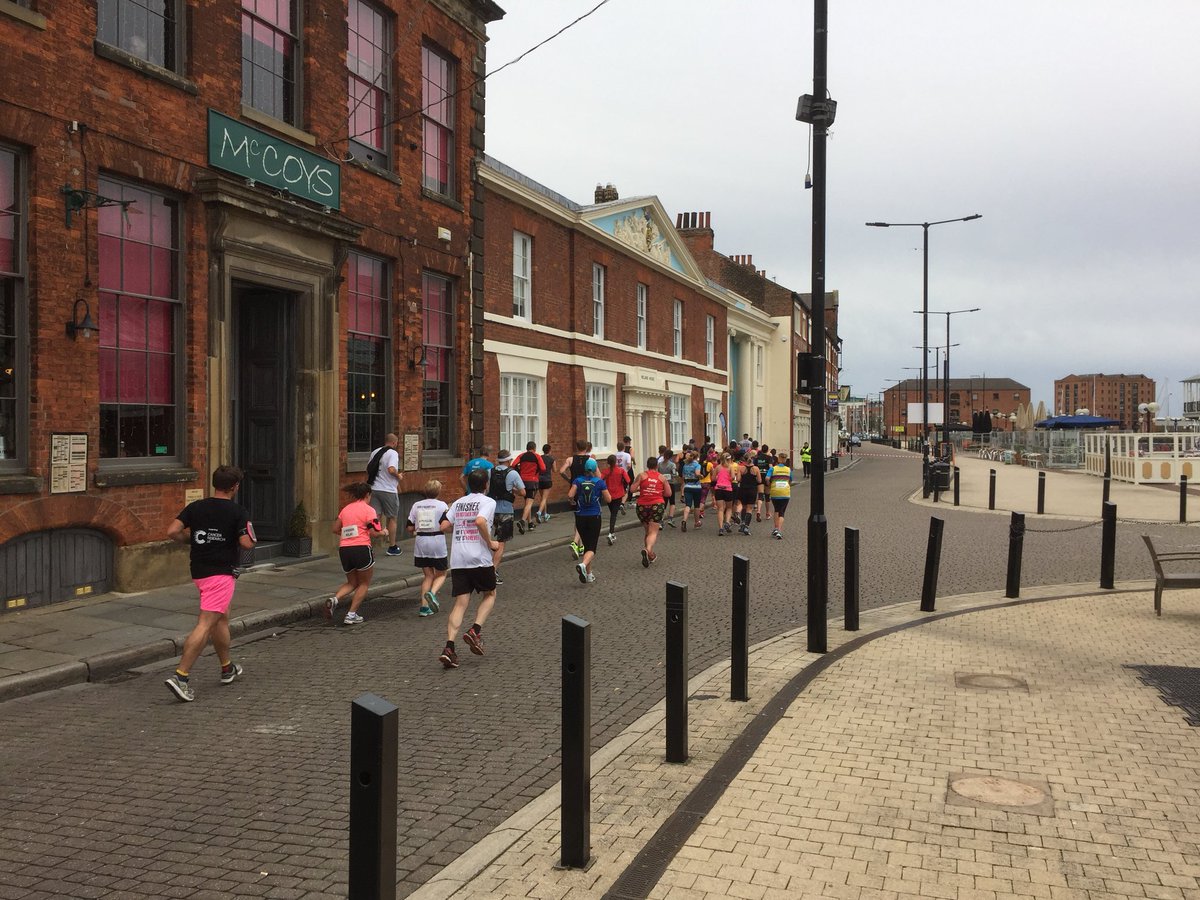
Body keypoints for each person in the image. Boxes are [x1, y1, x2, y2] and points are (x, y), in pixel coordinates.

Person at [164, 465, 256, 702]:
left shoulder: (196, 507)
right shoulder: (238, 511)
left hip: (200, 571)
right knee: (206, 623)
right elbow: (247, 543)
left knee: (221, 618)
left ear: (215, 483)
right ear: (234, 487)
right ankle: (181, 677)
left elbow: (172, 531)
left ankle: (227, 668)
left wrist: (191, 539)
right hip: (221, 573)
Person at [438, 468, 499, 669]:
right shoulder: (488, 502)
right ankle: (475, 630)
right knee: (490, 594)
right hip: (479, 558)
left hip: (459, 558)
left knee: (460, 603)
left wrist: (461, 529)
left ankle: (449, 648)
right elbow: (480, 520)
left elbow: (444, 526)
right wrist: (490, 542)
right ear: (486, 485)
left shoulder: (458, 502)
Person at [325, 482, 388, 625]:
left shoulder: (346, 509)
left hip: (345, 549)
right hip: (361, 548)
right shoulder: (369, 510)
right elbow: (374, 532)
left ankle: (334, 599)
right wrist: (384, 532)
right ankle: (351, 614)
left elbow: (335, 529)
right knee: (364, 583)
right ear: (367, 495)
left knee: (352, 582)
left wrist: (348, 535)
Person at [407, 479, 449, 616]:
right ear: (438, 491)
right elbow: (445, 524)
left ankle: (424, 608)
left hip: (421, 541)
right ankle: (432, 593)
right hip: (437, 540)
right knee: (442, 573)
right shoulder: (442, 505)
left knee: (428, 575)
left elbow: (409, 527)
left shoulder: (416, 505)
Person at [569, 458, 611, 584]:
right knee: (592, 548)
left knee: (586, 546)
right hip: (594, 516)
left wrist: (573, 501)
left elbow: (570, 495)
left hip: (580, 517)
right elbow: (608, 499)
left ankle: (589, 574)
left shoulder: (578, 480)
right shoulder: (599, 482)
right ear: (594, 469)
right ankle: (583, 565)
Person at [487, 450, 525, 585]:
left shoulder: (489, 472)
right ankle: (492, 571)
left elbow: (486, 489)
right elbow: (523, 492)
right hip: (506, 511)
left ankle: (485, 567)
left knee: (487, 540)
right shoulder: (513, 473)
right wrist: (512, 490)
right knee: (501, 543)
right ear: (509, 461)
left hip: (490, 510)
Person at [367, 433, 403, 556]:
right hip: (388, 490)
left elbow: (368, 468)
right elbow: (391, 469)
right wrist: (399, 476)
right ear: (394, 443)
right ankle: (392, 547)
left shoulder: (375, 452)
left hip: (374, 488)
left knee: (374, 518)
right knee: (392, 517)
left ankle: (369, 546)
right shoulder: (393, 453)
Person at [631, 456, 670, 567]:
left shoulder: (642, 475)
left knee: (648, 531)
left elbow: (632, 490)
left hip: (642, 506)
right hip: (656, 505)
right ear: (657, 466)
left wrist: (641, 489)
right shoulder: (661, 478)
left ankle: (650, 555)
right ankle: (647, 549)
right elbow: (669, 494)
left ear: (647, 465)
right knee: (653, 532)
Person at [560, 440, 591, 559]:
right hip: (587, 490)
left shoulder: (570, 459)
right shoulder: (590, 460)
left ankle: (580, 546)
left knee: (578, 517)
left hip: (574, 490)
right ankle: (575, 543)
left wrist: (569, 479)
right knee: (583, 518)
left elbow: (561, 471)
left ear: (576, 447)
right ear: (587, 447)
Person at [515, 441, 545, 533]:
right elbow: (543, 468)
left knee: (527, 502)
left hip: (522, 480)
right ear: (534, 448)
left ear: (527, 448)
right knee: (529, 502)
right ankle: (522, 521)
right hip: (532, 481)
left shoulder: (521, 456)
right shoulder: (537, 456)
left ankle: (530, 523)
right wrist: (537, 471)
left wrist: (519, 471)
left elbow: (513, 465)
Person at [602, 453, 630, 544]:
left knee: (612, 513)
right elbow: (628, 480)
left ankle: (612, 533)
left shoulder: (605, 471)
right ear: (616, 461)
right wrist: (624, 486)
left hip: (608, 495)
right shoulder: (621, 471)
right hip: (618, 494)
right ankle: (611, 533)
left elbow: (600, 480)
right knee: (613, 515)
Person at [735, 450, 761, 535]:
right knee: (750, 508)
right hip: (752, 490)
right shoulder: (756, 469)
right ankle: (746, 526)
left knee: (744, 507)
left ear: (744, 459)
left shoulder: (741, 468)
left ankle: (742, 523)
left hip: (743, 489)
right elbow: (759, 480)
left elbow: (738, 479)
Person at [768, 452, 792, 540]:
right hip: (785, 493)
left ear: (778, 459)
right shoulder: (788, 470)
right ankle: (779, 530)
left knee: (776, 510)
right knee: (782, 512)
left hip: (775, 492)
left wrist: (769, 484)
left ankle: (775, 528)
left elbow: (767, 478)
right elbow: (790, 480)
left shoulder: (773, 469)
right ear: (785, 460)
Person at [679, 450, 703, 532]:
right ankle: (697, 522)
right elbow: (697, 473)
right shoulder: (697, 465)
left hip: (687, 486)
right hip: (696, 487)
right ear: (697, 457)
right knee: (696, 506)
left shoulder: (685, 465)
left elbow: (683, 476)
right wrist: (701, 476)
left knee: (688, 505)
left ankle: (684, 520)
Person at [713, 452, 736, 535]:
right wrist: (729, 478)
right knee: (729, 508)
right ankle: (727, 522)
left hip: (718, 489)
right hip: (727, 489)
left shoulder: (718, 467)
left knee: (720, 509)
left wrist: (718, 478)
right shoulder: (730, 467)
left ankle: (721, 528)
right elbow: (733, 477)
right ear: (729, 459)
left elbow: (713, 478)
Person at [754, 443, 775, 521]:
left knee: (760, 495)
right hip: (767, 477)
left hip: (759, 477)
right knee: (767, 496)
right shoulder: (769, 458)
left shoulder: (757, 458)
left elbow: (754, 467)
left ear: (761, 450)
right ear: (767, 450)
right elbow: (771, 467)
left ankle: (758, 511)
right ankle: (767, 513)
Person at [659, 449, 679, 528]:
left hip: (662, 485)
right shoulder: (672, 465)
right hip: (670, 484)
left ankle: (661, 521)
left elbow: (658, 474)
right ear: (671, 456)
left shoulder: (659, 464)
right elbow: (674, 474)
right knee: (672, 502)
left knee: (663, 502)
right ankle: (670, 519)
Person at [536, 443, 555, 523]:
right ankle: (539, 512)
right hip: (547, 480)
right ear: (550, 450)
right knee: (544, 498)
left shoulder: (539, 458)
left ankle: (545, 514)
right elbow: (555, 470)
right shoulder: (551, 459)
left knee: (543, 498)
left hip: (539, 480)